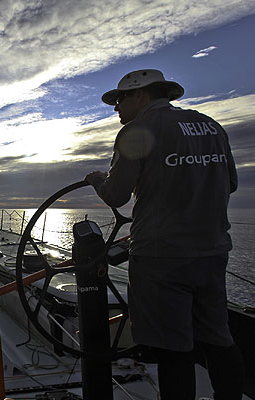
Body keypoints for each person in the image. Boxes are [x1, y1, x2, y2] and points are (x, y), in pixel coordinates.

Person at [85, 69, 243, 399]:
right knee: (218, 337)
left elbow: (116, 195)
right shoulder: (210, 125)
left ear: (140, 95)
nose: (116, 108)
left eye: (119, 100)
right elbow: (229, 183)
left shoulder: (137, 130)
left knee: (173, 350)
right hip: (212, 254)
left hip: (161, 259)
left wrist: (98, 179)